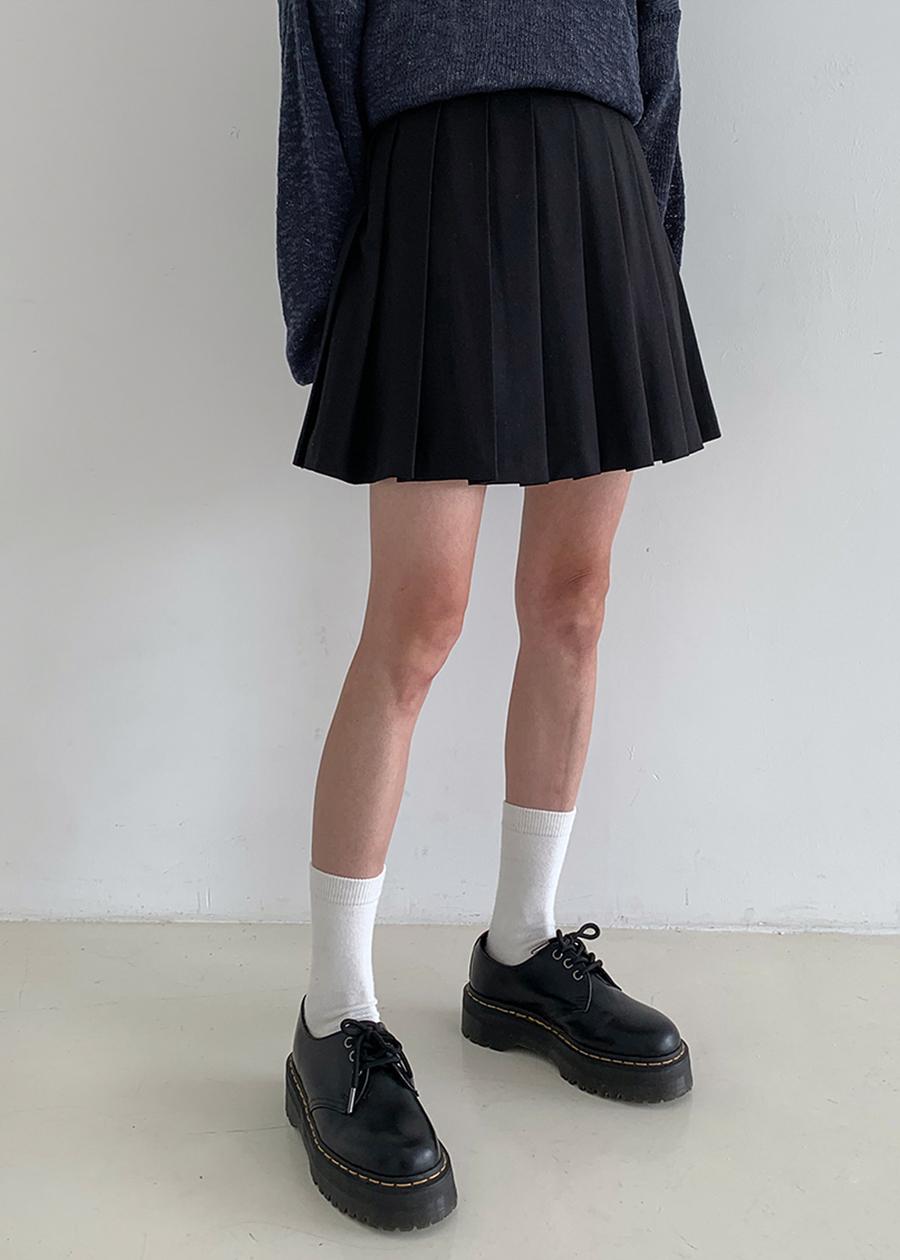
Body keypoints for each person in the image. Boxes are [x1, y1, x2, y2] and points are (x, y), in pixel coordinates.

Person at [276, 0, 720, 1231]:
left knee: (574, 605)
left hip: (600, 201)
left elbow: (655, 65)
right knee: (416, 625)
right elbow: (318, 90)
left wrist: (648, 264)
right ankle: (333, 1015)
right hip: (430, 204)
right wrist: (328, 315)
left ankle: (522, 951)